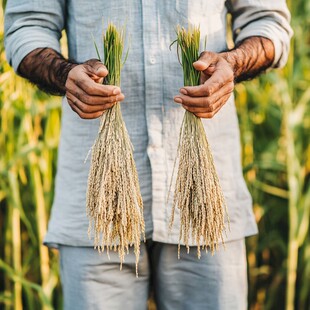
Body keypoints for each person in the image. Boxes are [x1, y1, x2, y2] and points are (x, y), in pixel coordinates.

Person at [4, 1, 292, 309]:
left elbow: (268, 24)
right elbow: (27, 27)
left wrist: (232, 64)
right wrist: (65, 75)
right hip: (97, 208)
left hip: (207, 204)